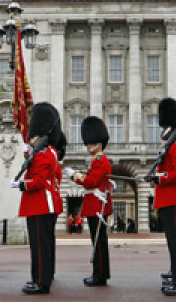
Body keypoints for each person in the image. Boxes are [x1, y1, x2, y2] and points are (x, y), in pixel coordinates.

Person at [16, 102, 62, 295]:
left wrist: (22, 185)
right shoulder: (45, 152)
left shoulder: (44, 154)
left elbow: (38, 181)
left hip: (39, 204)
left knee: (39, 247)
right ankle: (41, 277)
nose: (31, 140)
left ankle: (41, 282)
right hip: (41, 204)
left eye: (33, 137)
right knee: (41, 245)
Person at [149, 98, 176, 296]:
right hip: (168, 199)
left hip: (175, 199)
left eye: (165, 127)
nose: (162, 131)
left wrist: (160, 177)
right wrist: (155, 179)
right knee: (173, 244)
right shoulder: (171, 147)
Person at [71, 116, 112, 286]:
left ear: (99, 143)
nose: (88, 146)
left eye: (91, 143)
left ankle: (100, 275)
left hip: (97, 205)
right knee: (98, 241)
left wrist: (74, 176)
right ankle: (100, 273)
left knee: (98, 242)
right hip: (94, 204)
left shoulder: (101, 161)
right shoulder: (97, 161)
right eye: (87, 143)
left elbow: (90, 182)